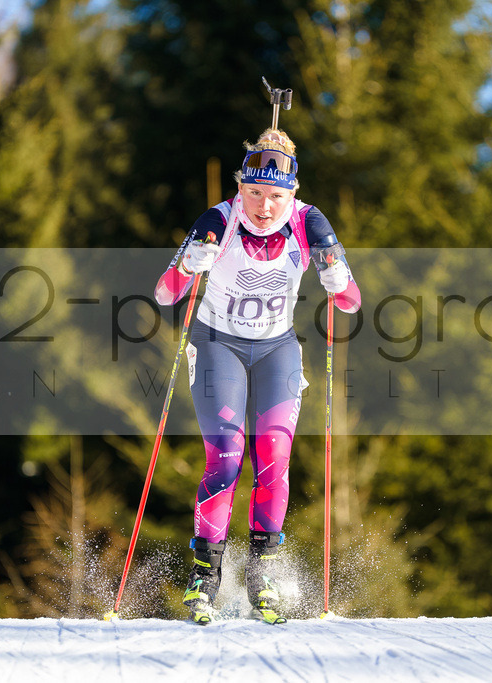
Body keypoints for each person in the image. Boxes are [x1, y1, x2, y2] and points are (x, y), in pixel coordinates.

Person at [154, 128, 361, 624]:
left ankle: (262, 571)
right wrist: (188, 265)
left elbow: (350, 302)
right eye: (254, 193)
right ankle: (205, 574)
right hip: (217, 343)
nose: (264, 207)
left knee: (273, 453)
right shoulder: (218, 221)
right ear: (240, 187)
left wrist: (339, 279)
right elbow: (165, 294)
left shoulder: (311, 224)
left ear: (292, 193)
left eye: (275, 196)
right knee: (225, 457)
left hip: (276, 350)